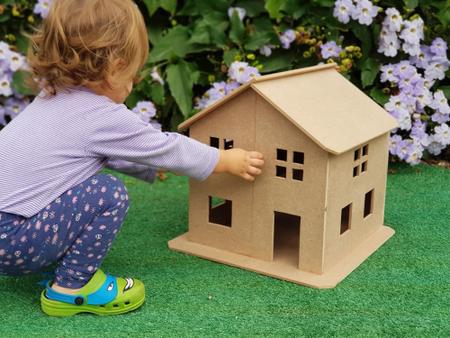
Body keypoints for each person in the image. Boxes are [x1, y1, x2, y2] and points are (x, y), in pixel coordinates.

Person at [0, 0, 264, 317]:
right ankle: (71, 289)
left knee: (82, 185)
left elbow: (94, 153)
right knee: (108, 193)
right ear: (114, 68)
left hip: (10, 230)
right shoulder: (101, 116)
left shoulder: (52, 96)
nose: (134, 82)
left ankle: (53, 259)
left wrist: (146, 169)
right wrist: (223, 160)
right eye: (133, 74)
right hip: (13, 240)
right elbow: (165, 147)